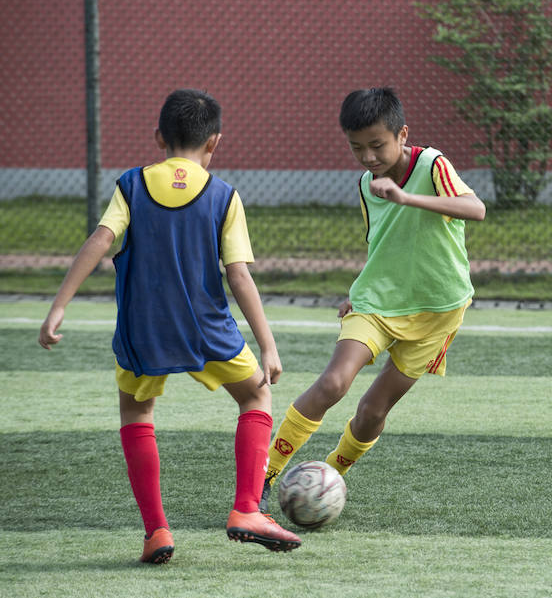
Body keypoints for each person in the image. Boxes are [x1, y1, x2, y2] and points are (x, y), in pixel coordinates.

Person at [37, 89, 301, 564]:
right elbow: (238, 274)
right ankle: (246, 509)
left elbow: (100, 240)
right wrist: (268, 345)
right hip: (207, 327)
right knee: (256, 395)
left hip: (144, 329)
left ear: (159, 137)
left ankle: (157, 531)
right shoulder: (224, 195)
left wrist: (60, 305)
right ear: (214, 142)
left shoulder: (131, 185)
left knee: (138, 415)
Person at [259, 87, 485, 511]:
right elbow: (382, 244)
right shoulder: (366, 185)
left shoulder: (432, 164)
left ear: (402, 134)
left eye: (377, 145)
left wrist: (407, 197)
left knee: (371, 411)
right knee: (333, 383)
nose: (368, 157)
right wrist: (356, 289)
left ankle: (330, 477)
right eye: (356, 148)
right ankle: (264, 474)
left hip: (439, 314)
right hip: (377, 303)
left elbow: (476, 209)